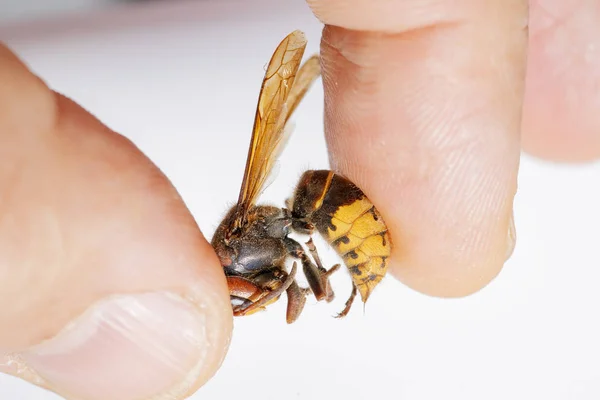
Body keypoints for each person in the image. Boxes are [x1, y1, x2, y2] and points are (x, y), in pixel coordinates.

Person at [1, 1, 597, 399]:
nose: (239, 298)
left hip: (320, 211)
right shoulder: (261, 252)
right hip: (311, 216)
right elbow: (285, 265)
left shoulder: (245, 247)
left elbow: (287, 261)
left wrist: (314, 277)